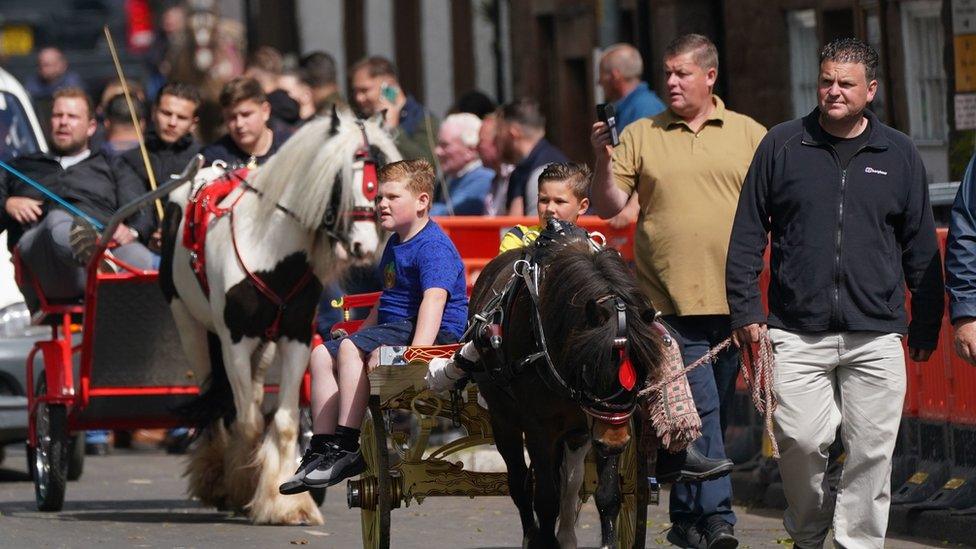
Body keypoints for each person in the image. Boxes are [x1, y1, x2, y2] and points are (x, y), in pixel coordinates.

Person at [726, 38, 944, 548]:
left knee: (872, 452)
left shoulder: (899, 154)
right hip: (796, 331)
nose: (833, 91)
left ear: (870, 89)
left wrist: (927, 323)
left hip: (876, 333)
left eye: (846, 83)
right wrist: (745, 311)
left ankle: (856, 543)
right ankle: (807, 532)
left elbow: (920, 247)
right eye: (826, 81)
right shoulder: (782, 144)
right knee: (801, 442)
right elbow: (746, 235)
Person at [590, 33, 767, 548]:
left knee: (712, 417)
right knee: (705, 408)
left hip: (733, 303)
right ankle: (719, 521)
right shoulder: (643, 134)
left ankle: (687, 521)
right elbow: (608, 204)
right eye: (667, 72)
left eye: (681, 73)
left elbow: (775, 206)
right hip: (665, 304)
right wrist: (603, 158)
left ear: (710, 76)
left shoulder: (749, 134)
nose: (670, 81)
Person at [279, 159, 467, 494]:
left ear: (422, 202)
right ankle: (322, 446)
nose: (381, 204)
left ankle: (348, 445)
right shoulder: (396, 243)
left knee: (351, 350)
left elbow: (434, 301)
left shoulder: (434, 246)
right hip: (398, 325)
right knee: (322, 354)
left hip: (432, 332)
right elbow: (387, 299)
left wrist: (418, 353)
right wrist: (362, 331)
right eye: (379, 197)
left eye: (392, 197)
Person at [115, 82, 203, 242]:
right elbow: (134, 207)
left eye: (182, 117)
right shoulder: (131, 159)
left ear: (193, 124)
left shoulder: (203, 160)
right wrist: (142, 233)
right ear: (154, 112)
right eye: (166, 113)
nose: (172, 122)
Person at [597, 43, 667, 229]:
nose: (598, 82)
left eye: (602, 74)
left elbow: (654, 163)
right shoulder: (627, 108)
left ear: (615, 75)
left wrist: (631, 208)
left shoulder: (646, 109)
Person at [350, 56, 438, 165]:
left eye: (364, 90)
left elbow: (427, 166)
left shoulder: (423, 119)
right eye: (355, 91)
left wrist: (393, 130)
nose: (359, 98)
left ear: (388, 86)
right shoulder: (361, 120)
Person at [495, 99, 568, 216]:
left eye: (499, 130)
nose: (496, 138)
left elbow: (539, 230)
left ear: (513, 132)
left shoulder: (547, 173)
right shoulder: (521, 171)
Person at [201, 77, 287, 167]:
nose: (239, 124)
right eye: (231, 117)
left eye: (246, 114)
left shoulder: (288, 146)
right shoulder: (214, 158)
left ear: (265, 111)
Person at [431, 113, 493, 216]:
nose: (437, 151)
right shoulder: (451, 177)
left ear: (470, 150)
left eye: (445, 145)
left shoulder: (483, 178)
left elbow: (450, 212)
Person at [478, 113, 512, 216]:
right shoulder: (495, 179)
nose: (477, 147)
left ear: (497, 142)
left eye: (481, 141)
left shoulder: (513, 177)